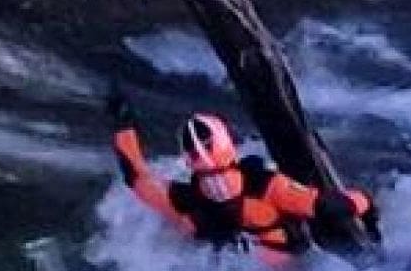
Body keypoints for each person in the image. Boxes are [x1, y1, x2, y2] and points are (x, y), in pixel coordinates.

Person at [106, 89, 381, 265]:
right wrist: (368, 211)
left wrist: (124, 124)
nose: (218, 188)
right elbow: (326, 205)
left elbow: (136, 176)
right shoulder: (260, 186)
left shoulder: (189, 198)